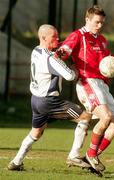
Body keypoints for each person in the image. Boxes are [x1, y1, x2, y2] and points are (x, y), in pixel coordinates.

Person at [56, 5, 114, 172]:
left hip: (102, 84)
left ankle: (89, 156)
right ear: (87, 19)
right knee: (105, 117)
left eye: (102, 23)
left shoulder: (101, 40)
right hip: (88, 83)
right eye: (97, 22)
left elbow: (109, 60)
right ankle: (92, 155)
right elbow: (64, 50)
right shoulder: (78, 36)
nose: (100, 26)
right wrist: (60, 53)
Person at [7, 24, 92, 171]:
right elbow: (70, 76)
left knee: (36, 133)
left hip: (36, 100)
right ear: (44, 38)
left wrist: (62, 46)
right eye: (54, 37)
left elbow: (55, 49)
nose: (58, 39)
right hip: (49, 102)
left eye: (57, 36)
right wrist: (74, 67)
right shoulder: (51, 58)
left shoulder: (36, 50)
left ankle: (16, 162)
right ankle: (74, 155)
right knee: (85, 117)